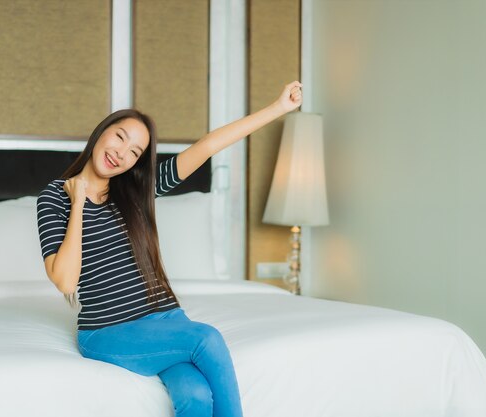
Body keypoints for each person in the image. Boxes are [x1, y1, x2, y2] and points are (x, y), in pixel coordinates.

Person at [36, 81, 303, 417]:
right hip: (107, 331)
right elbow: (65, 281)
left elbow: (206, 147)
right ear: (101, 132)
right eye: (120, 137)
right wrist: (79, 203)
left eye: (134, 152)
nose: (122, 152)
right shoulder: (54, 197)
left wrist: (277, 108)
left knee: (194, 395)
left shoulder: (136, 192)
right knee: (207, 339)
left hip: (166, 317)